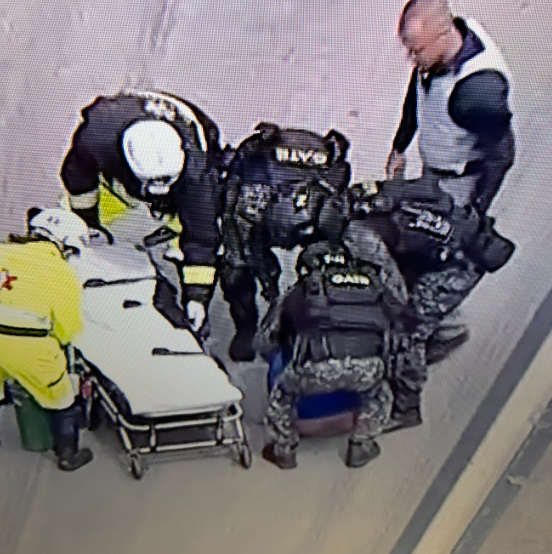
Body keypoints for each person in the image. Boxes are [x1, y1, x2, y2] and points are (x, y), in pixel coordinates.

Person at [346, 177, 515, 431]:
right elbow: (424, 188)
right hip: (426, 255)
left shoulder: (373, 233)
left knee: (409, 332)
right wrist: (377, 188)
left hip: (454, 268)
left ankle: (407, 408)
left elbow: (401, 289)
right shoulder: (409, 199)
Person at [60, 90, 230, 337]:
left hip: (188, 132)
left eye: (166, 182)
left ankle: (174, 231)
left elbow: (202, 237)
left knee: (197, 211)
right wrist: (87, 223)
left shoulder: (196, 173)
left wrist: (196, 298)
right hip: (124, 135)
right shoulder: (96, 139)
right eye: (153, 184)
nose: (160, 190)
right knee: (93, 209)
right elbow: (77, 178)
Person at [255, 241, 404, 469]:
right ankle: (361, 446)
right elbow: (400, 326)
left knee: (282, 396)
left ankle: (284, 451)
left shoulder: (300, 290)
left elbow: (264, 341)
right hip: (366, 368)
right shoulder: (375, 287)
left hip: (314, 369)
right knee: (380, 396)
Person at [221, 122, 351, 361]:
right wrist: (269, 285)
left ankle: (312, 331)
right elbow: (239, 245)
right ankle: (246, 329)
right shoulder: (248, 197)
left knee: (330, 268)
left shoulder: (327, 199)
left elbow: (333, 246)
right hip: (262, 215)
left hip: (309, 215)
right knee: (235, 269)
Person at [386, 0, 515, 216]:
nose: (412, 59)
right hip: (434, 169)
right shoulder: (435, 55)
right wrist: (399, 147)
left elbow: (501, 156)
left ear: (443, 35)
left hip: (458, 186)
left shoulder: (476, 93)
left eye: (417, 50)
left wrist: (472, 213)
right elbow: (416, 94)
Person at [0, 208, 93, 471]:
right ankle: (68, 456)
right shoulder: (61, 272)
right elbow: (68, 327)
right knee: (61, 398)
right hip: (30, 345)